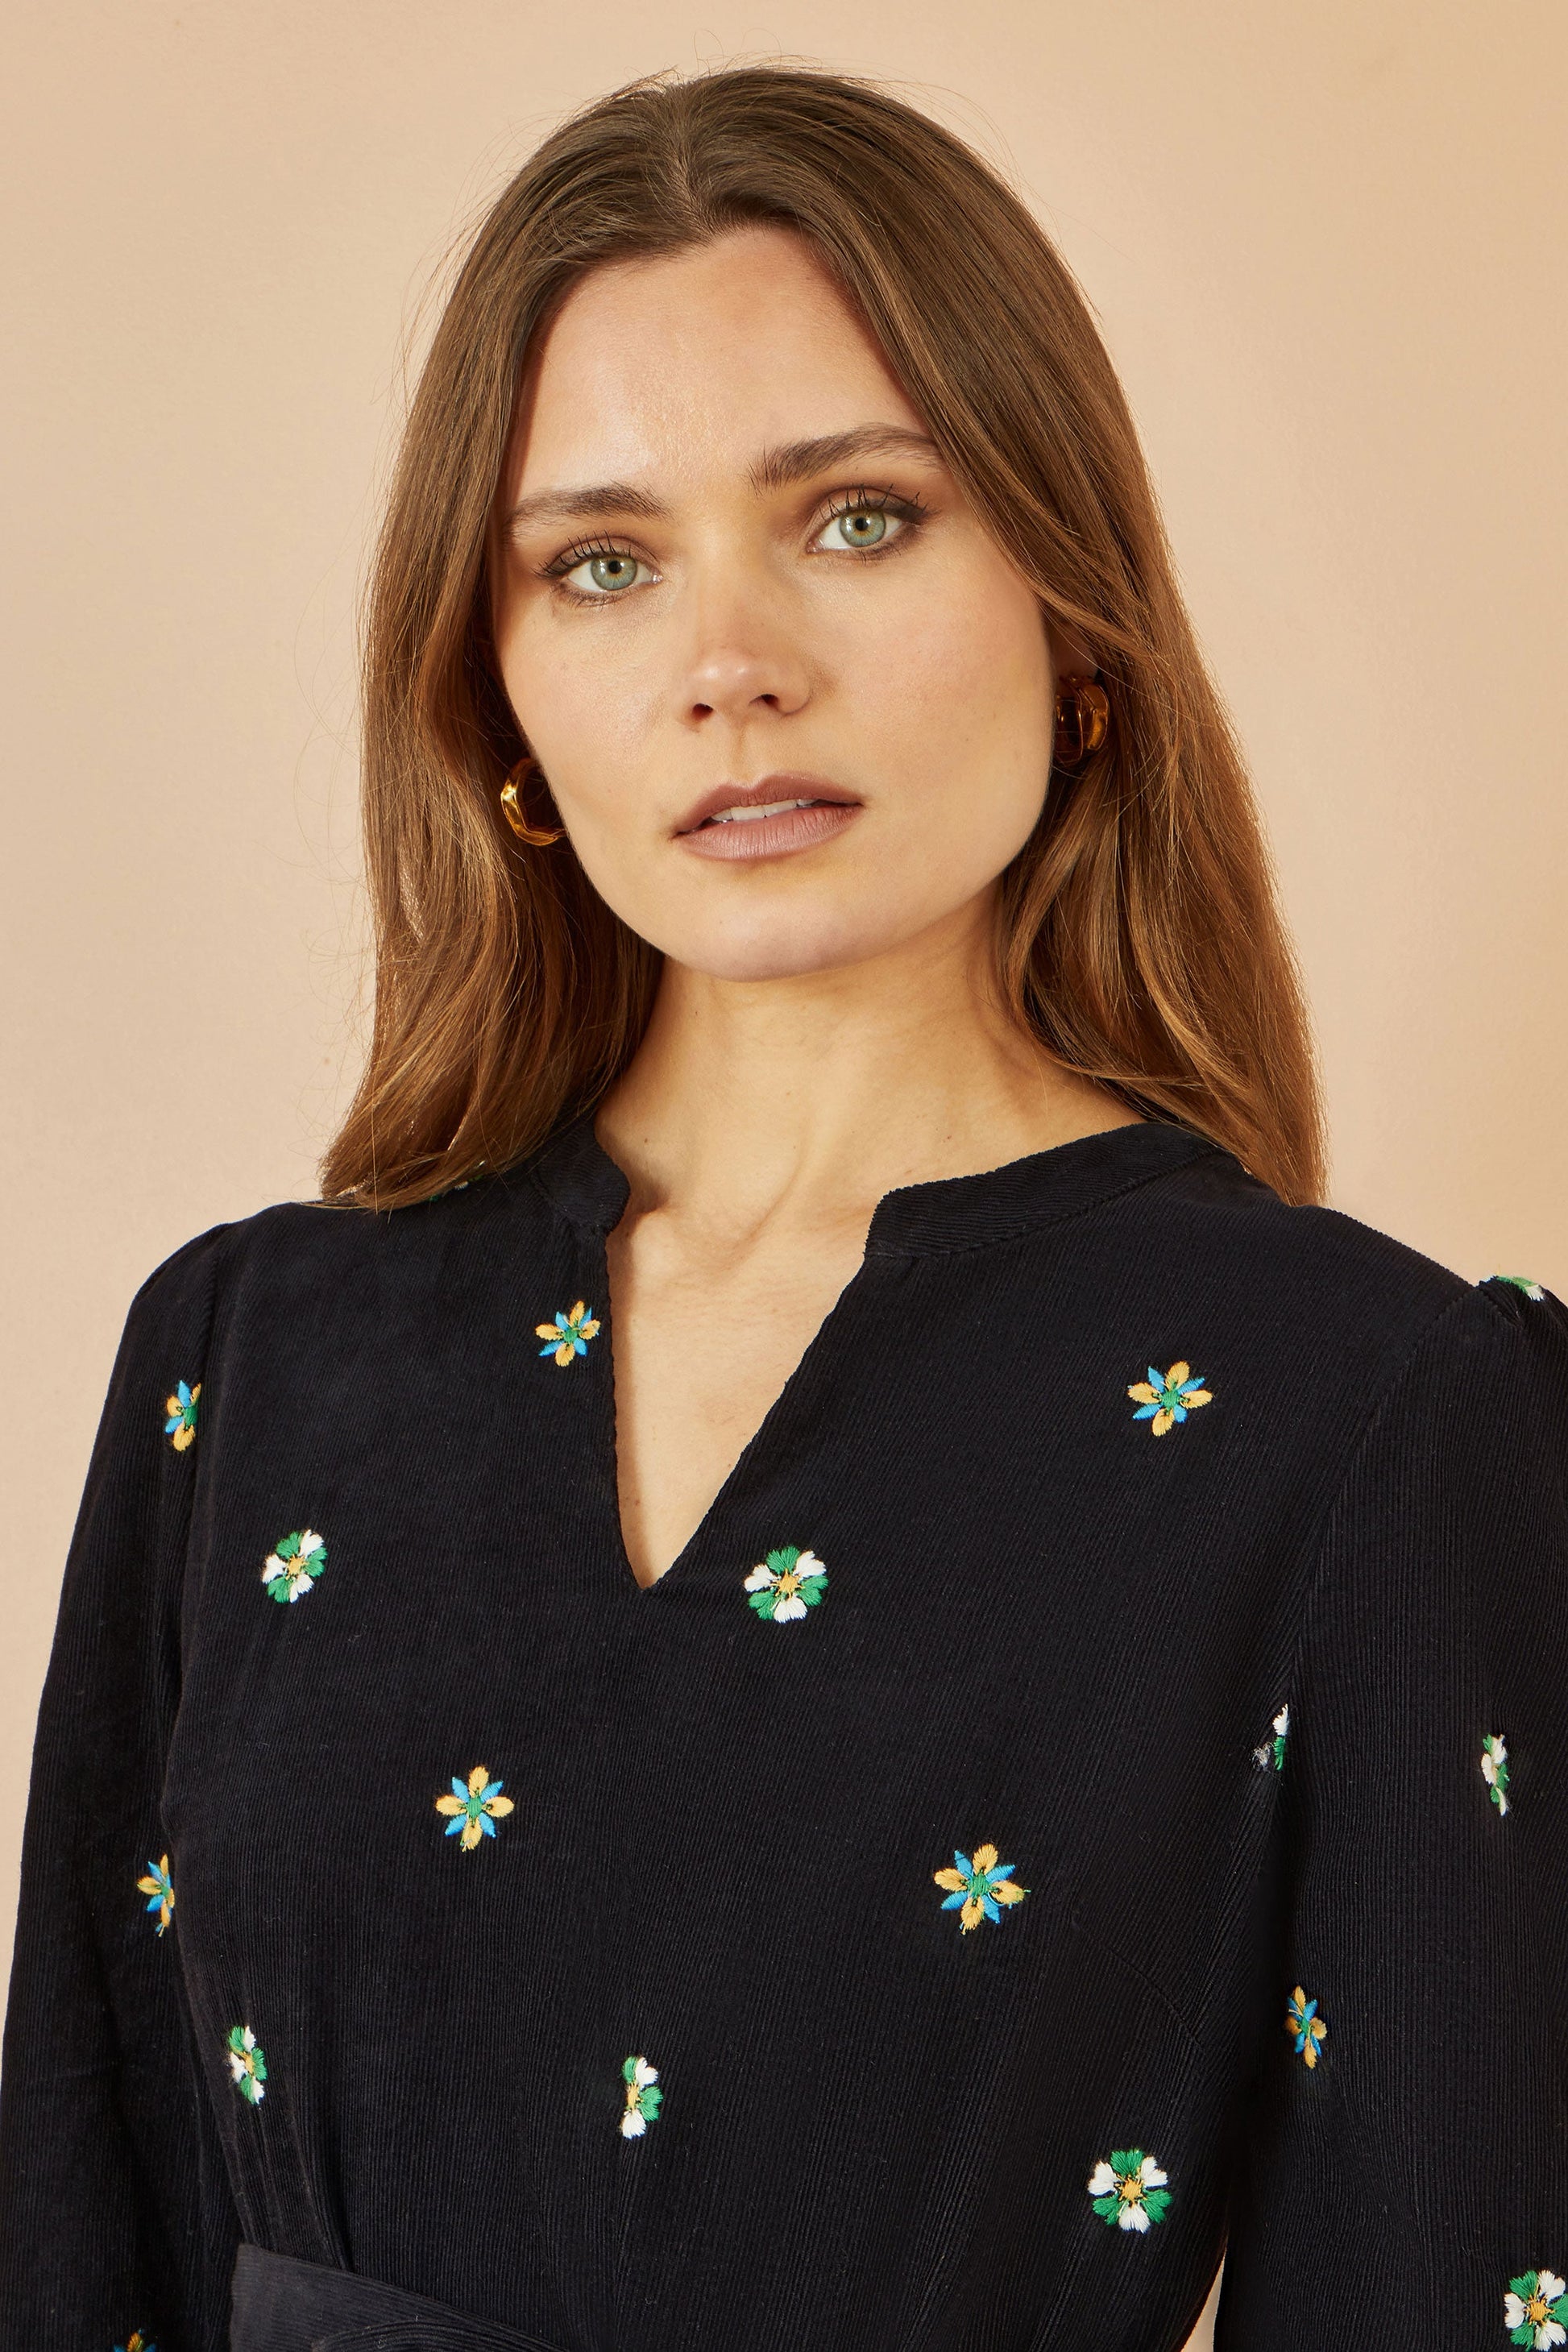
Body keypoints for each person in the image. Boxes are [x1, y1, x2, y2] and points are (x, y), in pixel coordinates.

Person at [1, 63, 1563, 2352]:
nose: (729, 663)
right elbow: (82, 2228)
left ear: (1076, 613)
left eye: (856, 518)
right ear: (496, 695)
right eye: (601, 563)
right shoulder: (250, 1361)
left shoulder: (1367, 1408)